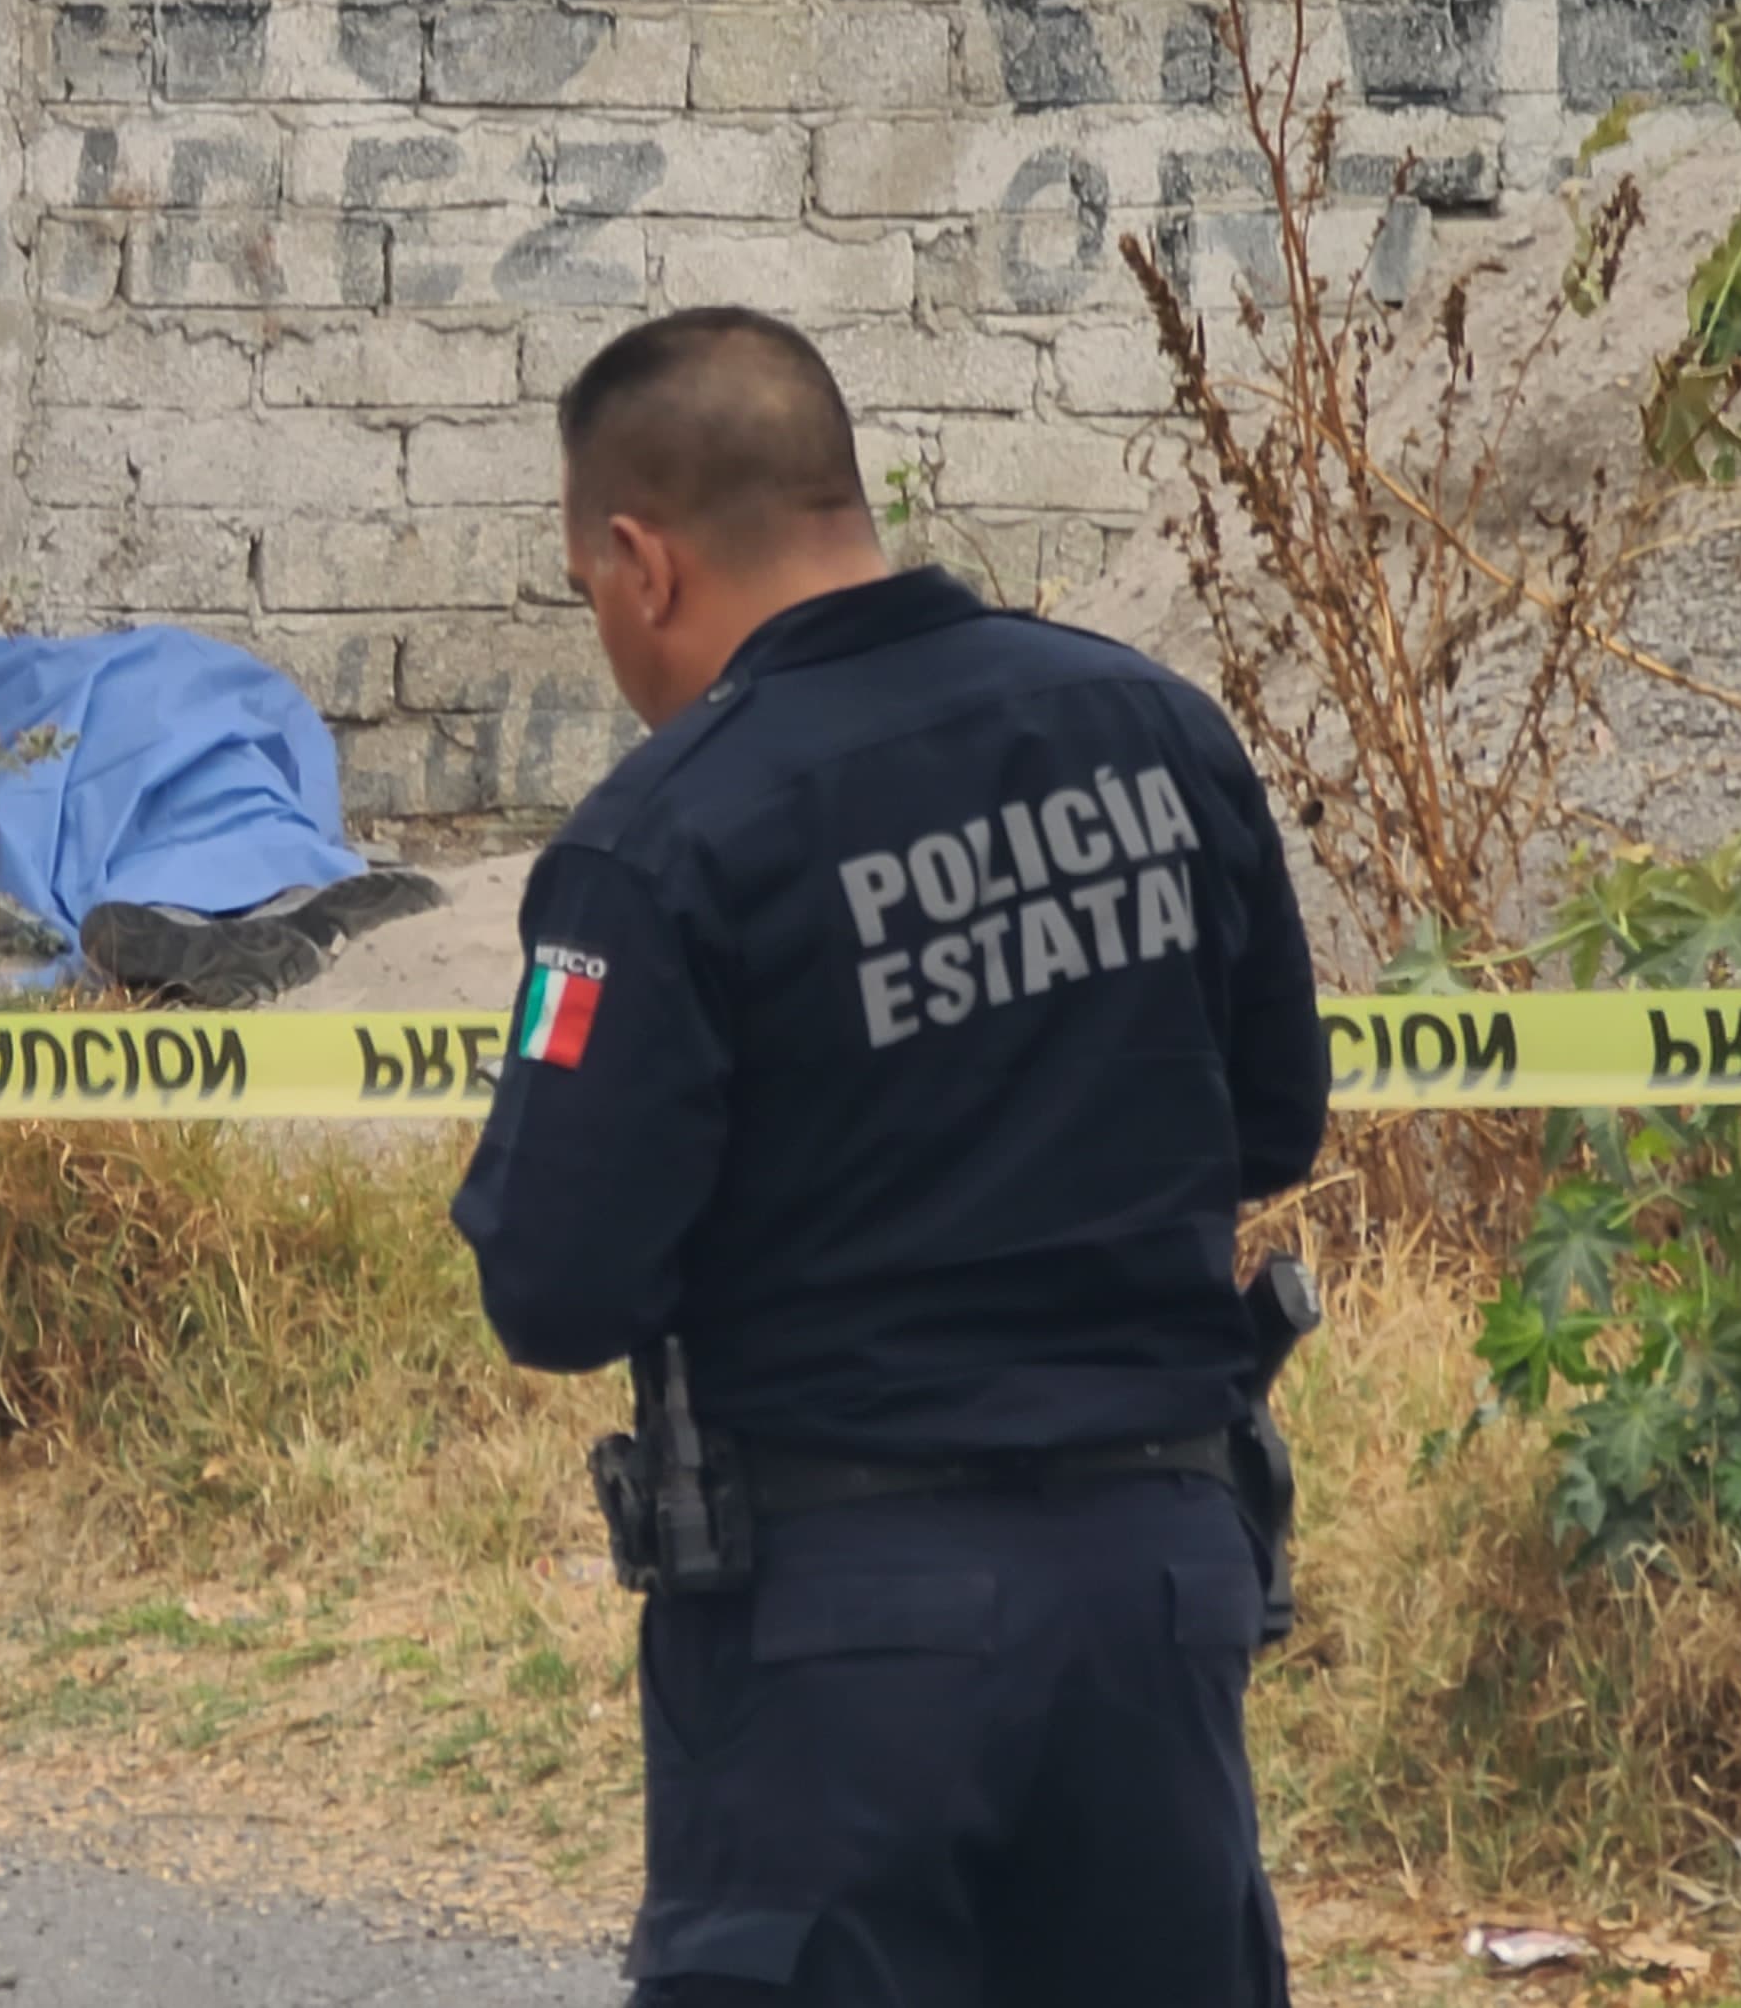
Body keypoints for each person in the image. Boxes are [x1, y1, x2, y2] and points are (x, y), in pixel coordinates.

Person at [451, 310, 1327, 2008]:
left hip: (845, 1641)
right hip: (1158, 1589)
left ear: (641, 560)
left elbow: (554, 1289)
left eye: (587, 595)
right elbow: (1272, 1123)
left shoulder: (660, 839)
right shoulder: (1157, 732)